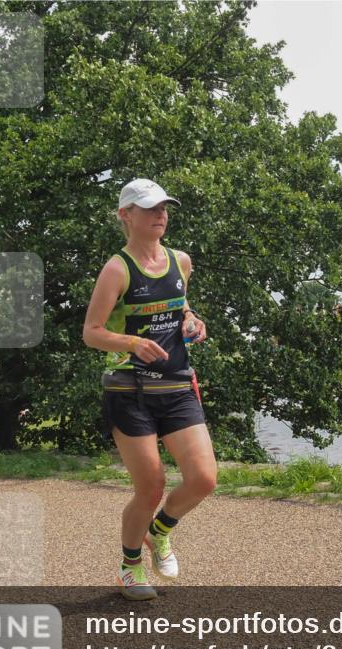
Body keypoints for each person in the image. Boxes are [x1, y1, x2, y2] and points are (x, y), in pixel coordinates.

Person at [82, 178, 217, 601]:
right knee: (151, 487)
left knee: (204, 479)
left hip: (177, 387)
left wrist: (194, 322)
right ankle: (129, 566)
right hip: (130, 390)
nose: (161, 214)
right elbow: (91, 332)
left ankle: (159, 532)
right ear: (126, 215)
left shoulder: (182, 261)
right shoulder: (117, 269)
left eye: (164, 207)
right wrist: (132, 342)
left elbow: (183, 308)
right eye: (150, 207)